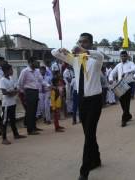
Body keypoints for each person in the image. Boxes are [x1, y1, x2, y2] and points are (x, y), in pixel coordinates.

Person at [52, 32, 104, 180]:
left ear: (91, 44)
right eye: (80, 42)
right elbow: (54, 53)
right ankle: (97, 158)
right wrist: (61, 50)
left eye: (85, 42)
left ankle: (84, 171)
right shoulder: (74, 60)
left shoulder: (96, 60)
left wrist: (84, 51)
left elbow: (99, 55)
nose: (81, 44)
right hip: (82, 101)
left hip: (94, 101)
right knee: (88, 134)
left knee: (88, 135)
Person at [0, 63, 27, 144]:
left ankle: (16, 134)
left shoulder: (11, 78)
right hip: (6, 104)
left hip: (12, 102)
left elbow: (15, 88)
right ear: (6, 70)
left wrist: (13, 91)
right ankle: (4, 138)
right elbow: (4, 92)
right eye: (11, 69)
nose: (12, 71)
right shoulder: (2, 80)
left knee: (13, 119)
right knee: (5, 120)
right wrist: (13, 92)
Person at [109, 51, 135, 127]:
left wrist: (126, 71)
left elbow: (134, 69)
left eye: (125, 56)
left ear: (127, 56)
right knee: (121, 101)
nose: (123, 57)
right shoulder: (118, 65)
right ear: (120, 57)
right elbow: (112, 73)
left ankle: (124, 119)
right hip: (120, 84)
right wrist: (111, 79)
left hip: (128, 84)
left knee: (127, 101)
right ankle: (128, 114)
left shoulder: (131, 63)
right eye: (122, 56)